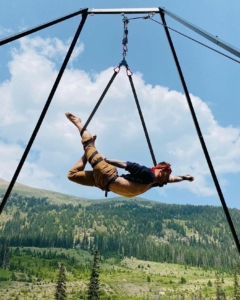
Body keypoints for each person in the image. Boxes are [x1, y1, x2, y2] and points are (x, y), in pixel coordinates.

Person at [66, 112, 194, 198]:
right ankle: (78, 123)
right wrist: (107, 160)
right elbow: (125, 164)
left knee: (72, 175)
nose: (168, 178)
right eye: (167, 174)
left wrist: (185, 177)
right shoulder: (147, 173)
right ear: (160, 169)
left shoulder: (156, 181)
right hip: (106, 173)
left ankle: (88, 151)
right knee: (88, 145)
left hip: (102, 183)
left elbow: (173, 179)